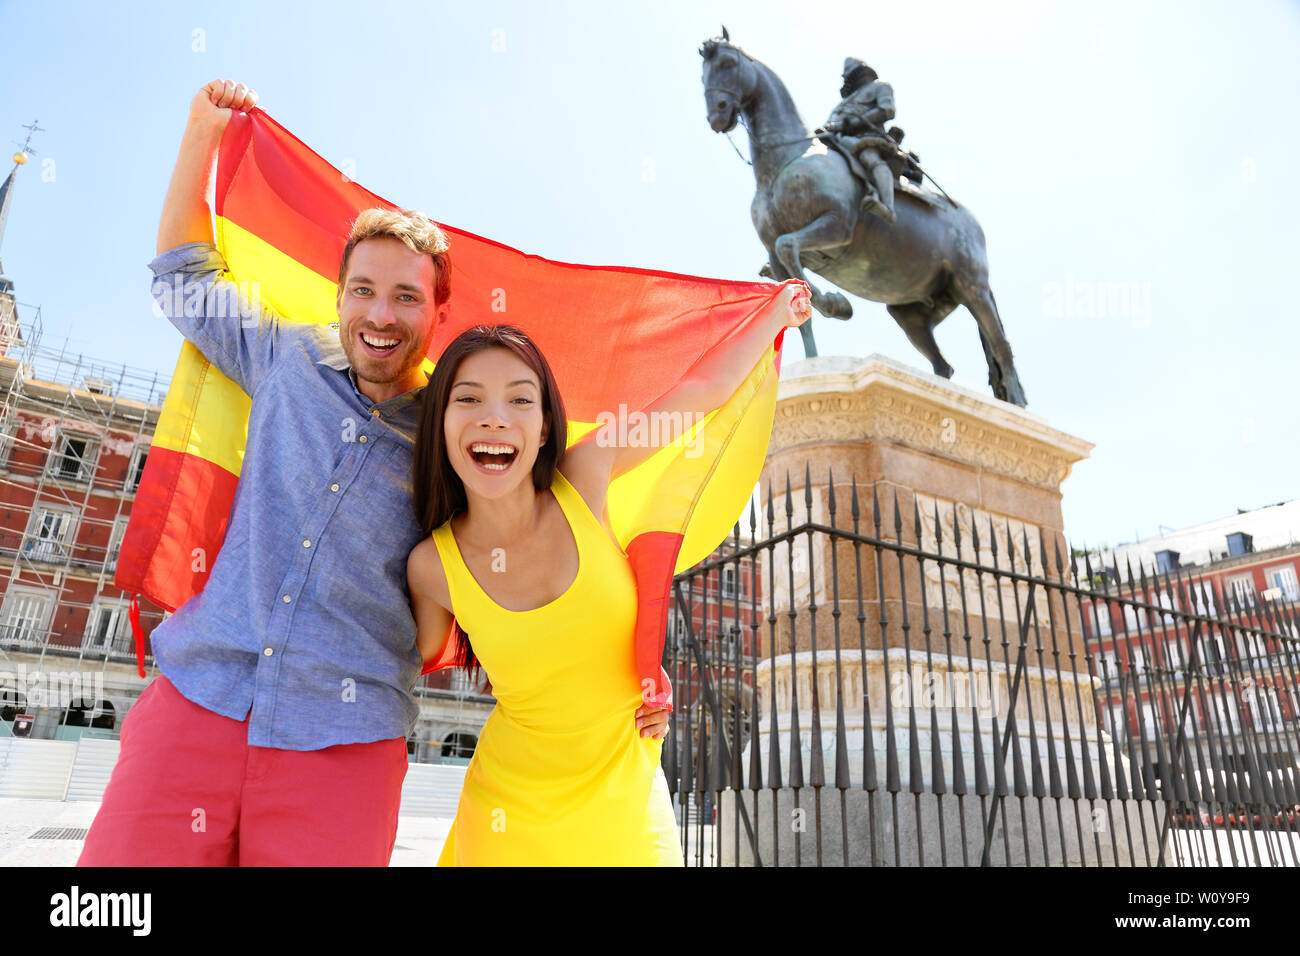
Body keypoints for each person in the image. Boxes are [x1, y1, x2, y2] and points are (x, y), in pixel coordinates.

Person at [77, 78, 671, 866]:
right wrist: (201, 131)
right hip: (198, 700)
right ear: (340, 294)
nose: (381, 315)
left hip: (344, 741)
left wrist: (632, 658)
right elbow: (183, 279)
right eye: (363, 291)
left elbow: (559, 527)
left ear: (437, 311)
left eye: (404, 297)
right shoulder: (285, 358)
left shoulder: (460, 438)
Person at [407, 288, 810, 865]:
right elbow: (395, 667)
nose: (495, 417)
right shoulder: (430, 567)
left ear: (545, 429)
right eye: (468, 398)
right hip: (505, 818)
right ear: (441, 424)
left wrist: (775, 313)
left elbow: (696, 395)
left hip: (627, 801)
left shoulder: (586, 475)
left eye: (520, 401)